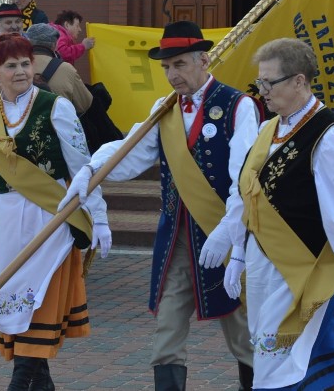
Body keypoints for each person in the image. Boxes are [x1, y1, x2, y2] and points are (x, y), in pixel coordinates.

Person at [61, 20, 259, 390]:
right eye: (166, 67)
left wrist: (229, 232)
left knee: (240, 327)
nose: (171, 75)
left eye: (179, 64)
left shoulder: (238, 105)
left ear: (204, 60)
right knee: (167, 326)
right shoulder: (165, 107)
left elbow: (243, 178)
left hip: (226, 234)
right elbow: (132, 151)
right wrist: (92, 168)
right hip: (177, 236)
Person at [0, 34, 111, 390]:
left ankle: (19, 383)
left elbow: (83, 168)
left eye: (26, 63)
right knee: (17, 305)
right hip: (4, 223)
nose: (21, 71)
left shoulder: (56, 107)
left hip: (50, 220)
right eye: (11, 66)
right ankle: (41, 384)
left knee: (41, 304)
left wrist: (98, 216)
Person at [234, 38, 334, 390]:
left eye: (268, 83)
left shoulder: (331, 136)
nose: (262, 92)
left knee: (278, 368)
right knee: (320, 356)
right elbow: (251, 198)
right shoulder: (270, 128)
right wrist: (237, 255)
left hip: (308, 268)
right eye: (260, 83)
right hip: (268, 265)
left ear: (299, 81)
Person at [25, 23, 93, 114]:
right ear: (54, 46)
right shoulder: (67, 69)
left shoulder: (13, 68)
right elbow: (85, 104)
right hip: (57, 127)